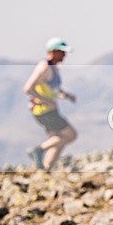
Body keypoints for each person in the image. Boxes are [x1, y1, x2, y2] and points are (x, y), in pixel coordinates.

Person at [23, 37, 78, 170]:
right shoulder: (44, 67)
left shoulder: (54, 68)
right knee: (70, 135)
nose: (64, 55)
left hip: (50, 110)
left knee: (58, 140)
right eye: (62, 52)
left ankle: (45, 169)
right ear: (53, 51)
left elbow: (53, 89)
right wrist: (46, 100)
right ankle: (38, 150)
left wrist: (66, 95)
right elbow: (28, 88)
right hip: (44, 111)